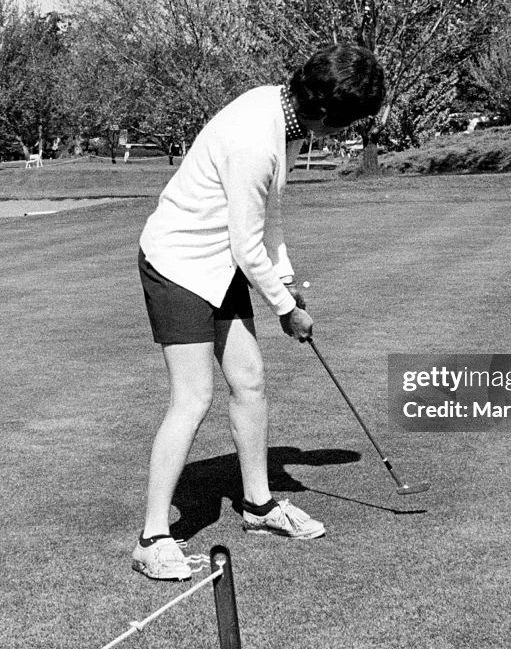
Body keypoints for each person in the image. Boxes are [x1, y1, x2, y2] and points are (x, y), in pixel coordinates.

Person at [132, 43, 386, 581]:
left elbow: (268, 218)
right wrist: (286, 310)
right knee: (194, 395)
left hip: (218, 264)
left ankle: (258, 506)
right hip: (178, 263)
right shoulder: (256, 137)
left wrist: (288, 284)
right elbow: (248, 247)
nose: (343, 135)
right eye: (346, 125)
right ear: (325, 111)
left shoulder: (285, 120)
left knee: (249, 381)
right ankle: (153, 536)